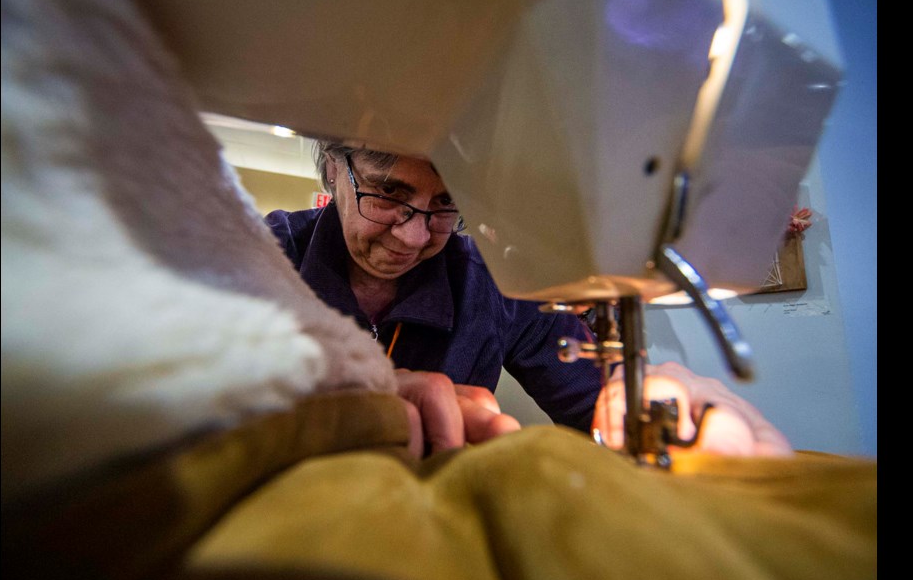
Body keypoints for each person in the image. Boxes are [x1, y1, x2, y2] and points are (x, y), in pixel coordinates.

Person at [265, 142, 792, 457]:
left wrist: (649, 404)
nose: (414, 238)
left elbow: (593, 403)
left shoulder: (497, 284)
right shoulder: (256, 257)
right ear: (333, 168)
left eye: (446, 204)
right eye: (388, 193)